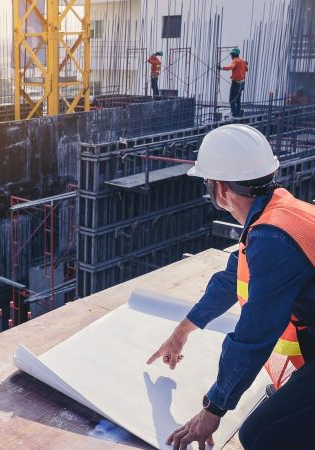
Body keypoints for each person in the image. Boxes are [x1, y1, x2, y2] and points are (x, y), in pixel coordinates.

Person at [147, 124, 315, 450]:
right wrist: (181, 332)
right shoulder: (277, 213)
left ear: (222, 190)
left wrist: (214, 408)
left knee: (260, 435)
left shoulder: (272, 238)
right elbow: (229, 281)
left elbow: (254, 335)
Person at [221, 48, 248, 117]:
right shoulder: (242, 61)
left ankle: (234, 115)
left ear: (234, 55)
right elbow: (246, 69)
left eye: (232, 55)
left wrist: (222, 68)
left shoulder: (235, 60)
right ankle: (238, 114)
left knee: (232, 100)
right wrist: (244, 64)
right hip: (242, 83)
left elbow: (231, 67)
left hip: (236, 83)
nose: (231, 56)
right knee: (238, 100)